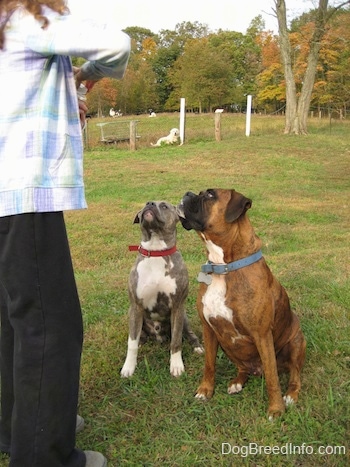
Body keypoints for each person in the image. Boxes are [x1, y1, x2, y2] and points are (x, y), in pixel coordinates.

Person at [0, 1, 130, 466]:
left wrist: (66, 76)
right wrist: (90, 73)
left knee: (14, 321)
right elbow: (118, 44)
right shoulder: (26, 20)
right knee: (50, 326)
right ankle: (43, 454)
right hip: (25, 193)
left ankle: (20, 425)